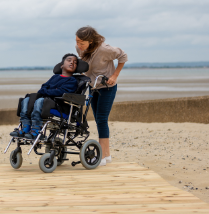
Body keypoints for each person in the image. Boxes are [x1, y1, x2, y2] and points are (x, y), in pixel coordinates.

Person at [75, 26, 126, 166]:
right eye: (77, 41)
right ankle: (107, 155)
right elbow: (86, 66)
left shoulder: (105, 49)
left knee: (102, 119)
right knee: (98, 119)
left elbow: (123, 56)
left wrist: (115, 75)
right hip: (93, 86)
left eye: (82, 43)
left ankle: (102, 156)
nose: (78, 46)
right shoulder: (79, 48)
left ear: (90, 41)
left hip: (107, 86)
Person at [11, 54, 80, 138]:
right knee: (27, 100)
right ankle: (26, 127)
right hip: (47, 101)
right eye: (69, 60)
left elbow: (61, 92)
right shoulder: (55, 77)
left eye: (75, 62)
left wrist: (47, 91)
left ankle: (36, 129)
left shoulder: (72, 81)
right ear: (61, 65)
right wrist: (51, 91)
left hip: (59, 105)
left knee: (40, 101)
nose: (72, 63)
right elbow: (43, 87)